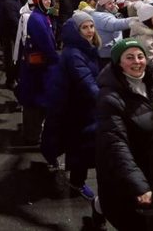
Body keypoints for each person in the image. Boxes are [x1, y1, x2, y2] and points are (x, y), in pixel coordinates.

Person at [94, 38, 153, 231]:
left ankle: (99, 205)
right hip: (127, 172)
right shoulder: (110, 98)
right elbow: (116, 145)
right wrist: (139, 185)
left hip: (151, 163)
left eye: (140, 56)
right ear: (118, 63)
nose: (137, 61)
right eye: (130, 57)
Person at [46, 11, 101, 200]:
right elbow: (86, 81)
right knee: (80, 147)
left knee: (78, 145)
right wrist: (102, 98)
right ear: (76, 31)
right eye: (84, 27)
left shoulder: (83, 48)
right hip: (78, 108)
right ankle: (77, 182)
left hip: (80, 106)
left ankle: (75, 177)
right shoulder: (75, 54)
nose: (90, 31)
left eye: (91, 26)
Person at [17, 0, 59, 145]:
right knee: (35, 102)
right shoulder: (37, 19)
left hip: (39, 67)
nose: (48, 1)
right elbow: (46, 45)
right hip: (37, 68)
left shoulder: (42, 16)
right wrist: (57, 60)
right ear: (38, 1)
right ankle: (31, 134)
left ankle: (32, 132)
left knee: (36, 102)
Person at [91, 0, 136, 68]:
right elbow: (115, 24)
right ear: (102, 6)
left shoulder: (103, 14)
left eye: (114, 2)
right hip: (106, 55)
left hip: (109, 52)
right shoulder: (101, 16)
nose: (113, 5)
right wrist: (136, 20)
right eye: (109, 3)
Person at [0, 0, 22, 89]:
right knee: (11, 58)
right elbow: (13, 19)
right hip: (10, 35)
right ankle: (10, 80)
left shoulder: (16, 0)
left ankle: (13, 78)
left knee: (14, 58)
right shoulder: (8, 3)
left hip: (15, 34)